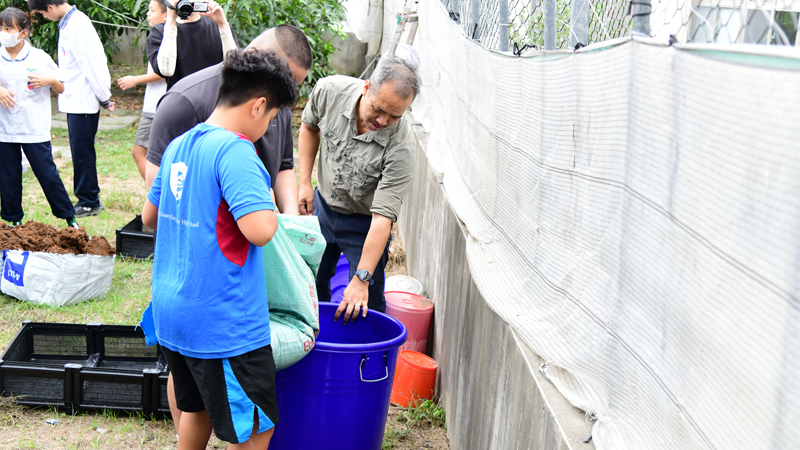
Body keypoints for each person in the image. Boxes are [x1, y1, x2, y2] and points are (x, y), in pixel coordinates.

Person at [146, 24, 312, 438]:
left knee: (196, 411)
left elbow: (150, 216)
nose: (269, 128)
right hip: (225, 326)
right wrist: (275, 212)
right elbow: (259, 230)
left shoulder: (181, 144)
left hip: (173, 312)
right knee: (256, 427)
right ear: (257, 107)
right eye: (273, 117)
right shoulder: (238, 151)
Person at [297, 55, 421, 324]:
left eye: (394, 116)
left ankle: (363, 359)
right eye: (378, 109)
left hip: (366, 224)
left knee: (368, 303)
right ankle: (314, 339)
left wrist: (361, 278)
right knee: (308, 281)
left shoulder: (402, 147)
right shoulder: (330, 92)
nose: (383, 120)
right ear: (366, 88)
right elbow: (309, 127)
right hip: (323, 207)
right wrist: (305, 183)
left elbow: (382, 218)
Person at [146, 24, 313, 214]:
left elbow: (284, 167)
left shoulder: (277, 99)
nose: (286, 92)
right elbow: (159, 198)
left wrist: (290, 221)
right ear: (255, 54)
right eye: (285, 79)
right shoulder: (184, 101)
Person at [27, 0, 114, 219]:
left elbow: (93, 64)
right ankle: (87, 198)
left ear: (50, 7)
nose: (43, 17)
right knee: (79, 151)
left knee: (82, 153)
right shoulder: (68, 24)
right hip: (75, 100)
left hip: (83, 101)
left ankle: (89, 201)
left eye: (41, 13)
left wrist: (104, 96)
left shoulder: (77, 25)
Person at [0, 7, 78, 228]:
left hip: (33, 128)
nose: (3, 32)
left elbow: (61, 87)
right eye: (1, 28)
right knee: (8, 177)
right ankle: (13, 220)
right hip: (4, 130)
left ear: (23, 32)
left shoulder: (39, 57)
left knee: (47, 174)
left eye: (8, 28)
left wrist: (50, 81)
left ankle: (69, 217)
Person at [117, 0, 167, 181]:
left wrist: (135, 80)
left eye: (152, 10)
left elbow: (164, 71)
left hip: (158, 106)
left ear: (166, 14)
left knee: (140, 151)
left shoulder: (164, 35)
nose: (147, 14)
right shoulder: (164, 34)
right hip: (155, 105)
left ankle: (157, 200)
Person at [147, 0, 236, 90]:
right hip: (181, 100)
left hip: (215, 100)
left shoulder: (218, 27)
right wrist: (171, 19)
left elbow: (234, 69)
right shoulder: (160, 31)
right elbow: (166, 71)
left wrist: (223, 24)